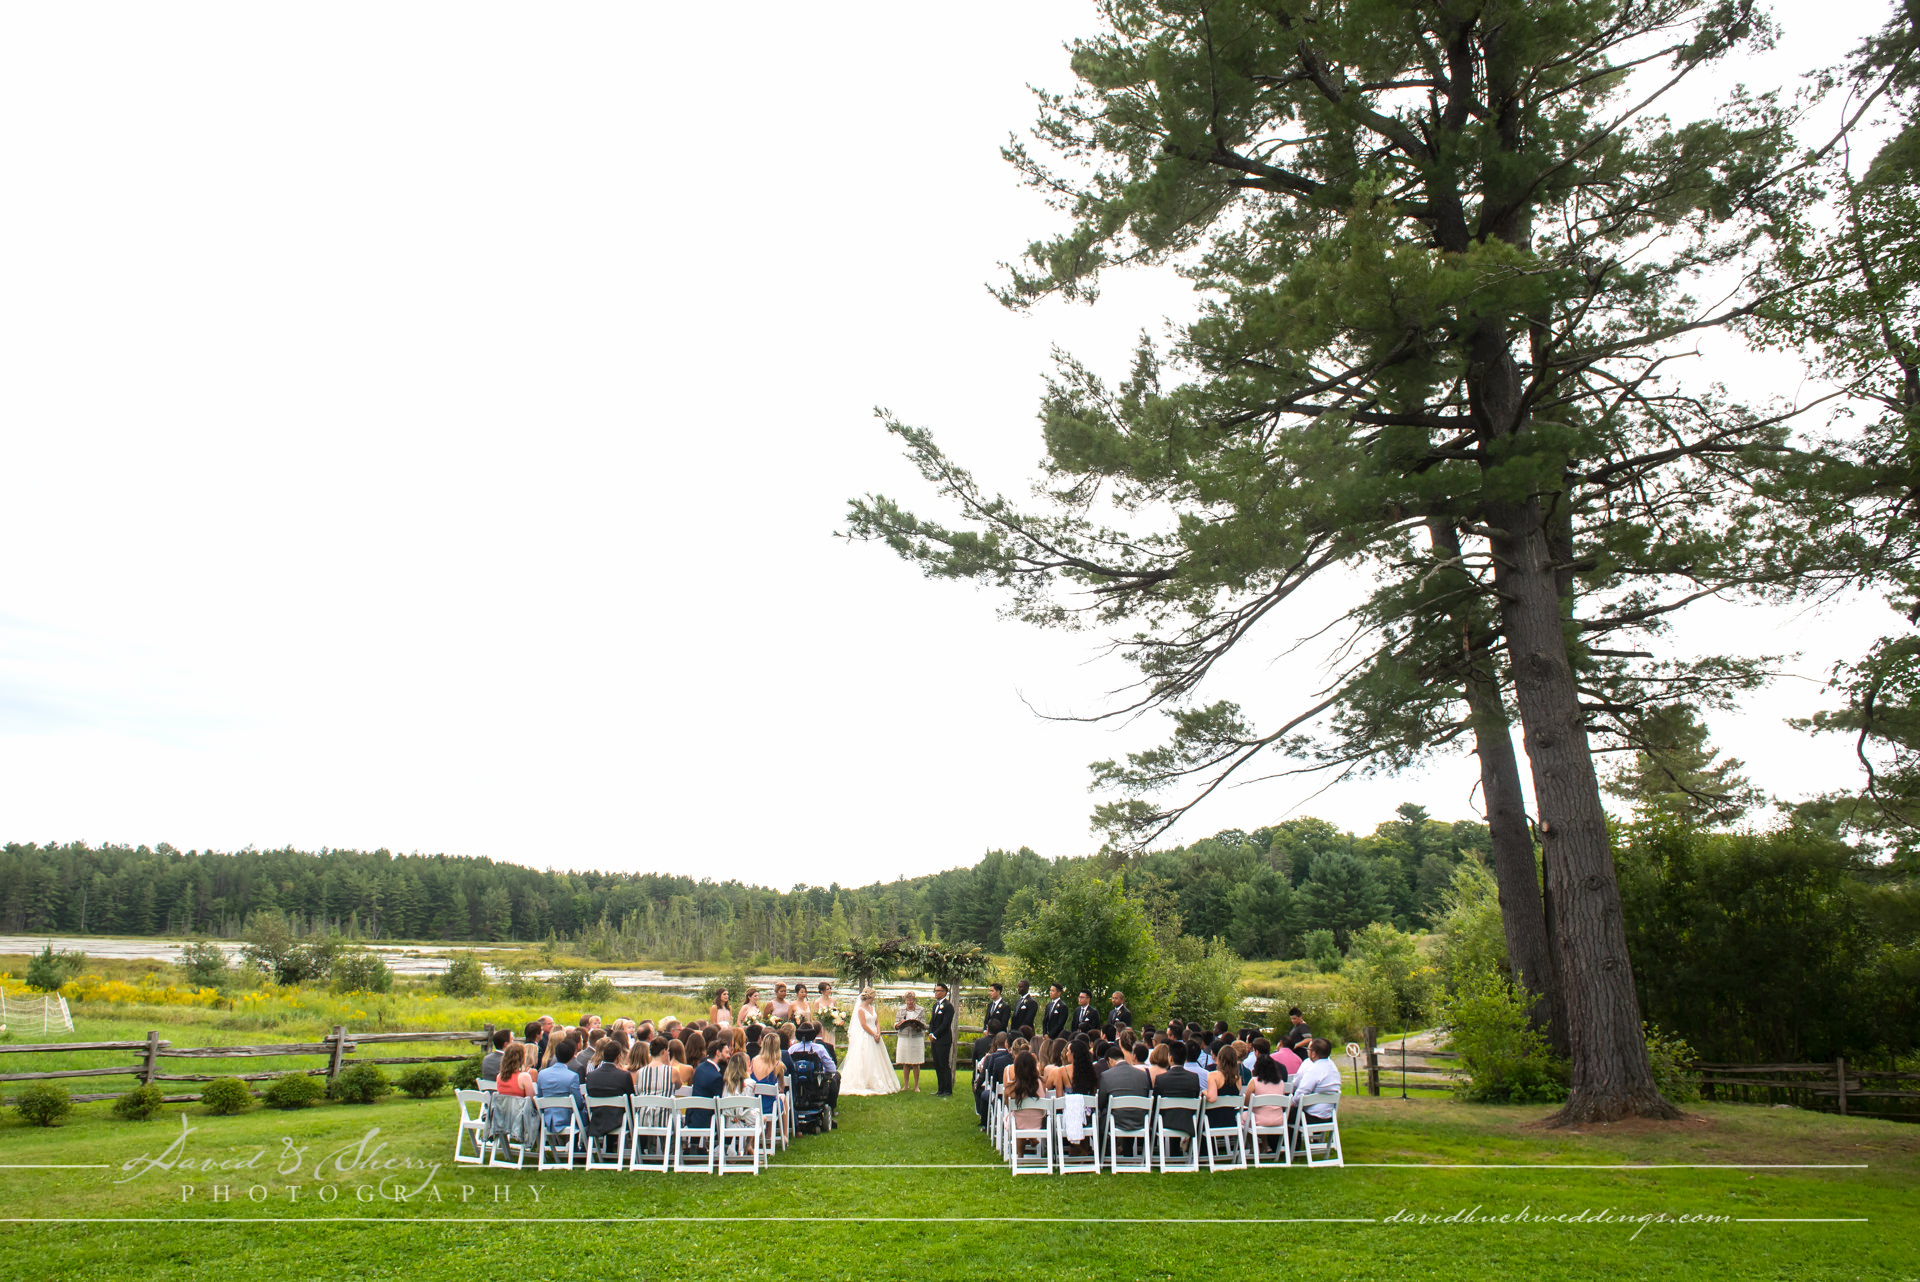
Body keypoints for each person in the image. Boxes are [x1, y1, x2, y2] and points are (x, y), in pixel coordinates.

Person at [840, 986, 903, 1096]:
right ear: (869, 997)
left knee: (878, 1058)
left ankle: (881, 1080)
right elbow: (864, 1025)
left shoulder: (872, 1008)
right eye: (873, 997)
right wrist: (873, 1034)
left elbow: (876, 1022)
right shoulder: (860, 1009)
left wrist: (878, 1033)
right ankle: (865, 1082)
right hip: (866, 1035)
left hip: (875, 1035)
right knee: (866, 1058)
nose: (874, 999)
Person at [1152, 1040, 1204, 1152]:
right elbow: (1195, 1098)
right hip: (1188, 1121)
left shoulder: (1161, 1079)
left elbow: (1155, 1104)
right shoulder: (1193, 1078)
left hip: (1165, 1121)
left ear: (1170, 1058)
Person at [583, 1038, 635, 1147]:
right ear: (618, 1057)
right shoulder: (623, 1075)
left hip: (597, 1117)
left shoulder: (591, 1076)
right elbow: (631, 1099)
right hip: (618, 1119)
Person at [536, 1036, 587, 1134]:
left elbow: (540, 1097)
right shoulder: (572, 1076)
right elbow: (579, 1104)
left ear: (556, 1054)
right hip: (569, 1119)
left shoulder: (542, 1074)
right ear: (573, 1055)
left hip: (548, 1118)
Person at [1246, 1048, 1290, 1155]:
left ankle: (1253, 1146)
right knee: (1259, 1113)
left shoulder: (1254, 1082)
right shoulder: (1280, 1082)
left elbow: (1247, 1102)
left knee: (1243, 1117)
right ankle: (1266, 1146)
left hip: (1259, 1119)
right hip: (1279, 1119)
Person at [1007, 1051, 1047, 1160]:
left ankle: (1020, 1156)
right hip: (1038, 1122)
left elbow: (1008, 1104)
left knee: (1014, 1117)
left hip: (1019, 1124)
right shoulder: (1040, 1083)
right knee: (1023, 1116)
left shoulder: (1013, 1087)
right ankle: (1032, 1137)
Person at [1291, 1037, 1341, 1123]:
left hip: (1312, 1116)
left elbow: (1301, 1093)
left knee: (1285, 1115)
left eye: (1309, 1049)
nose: (1307, 1051)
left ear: (1314, 1054)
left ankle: (1293, 1136)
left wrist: (1291, 1103)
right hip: (1329, 1116)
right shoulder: (1333, 1068)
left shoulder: (1314, 1069)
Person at [686, 1039, 727, 1133]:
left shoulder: (701, 1067)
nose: (728, 1056)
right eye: (726, 1052)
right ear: (718, 1053)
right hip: (707, 1120)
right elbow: (718, 1105)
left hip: (692, 1115)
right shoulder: (716, 1077)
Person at [1204, 1044, 1243, 1139]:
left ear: (1220, 1059)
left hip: (1213, 1121)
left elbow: (1212, 1098)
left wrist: (1204, 1092)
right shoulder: (1238, 1079)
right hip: (1231, 1120)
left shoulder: (1213, 1075)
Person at [894, 991, 928, 1092]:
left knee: (916, 1062)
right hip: (904, 1037)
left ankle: (916, 1086)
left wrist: (916, 1025)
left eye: (911, 1000)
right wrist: (900, 1024)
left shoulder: (921, 1010)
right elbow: (895, 1024)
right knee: (905, 1062)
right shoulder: (901, 1010)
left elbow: (924, 1025)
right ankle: (906, 1085)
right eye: (908, 1000)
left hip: (916, 1038)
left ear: (915, 1000)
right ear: (905, 1000)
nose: (909, 1002)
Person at [928, 983, 957, 1097]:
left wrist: (935, 1034)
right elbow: (932, 1022)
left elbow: (945, 1023)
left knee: (944, 1064)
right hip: (934, 1039)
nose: (936, 993)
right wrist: (930, 1033)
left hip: (943, 1039)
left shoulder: (948, 1006)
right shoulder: (935, 1005)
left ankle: (947, 1089)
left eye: (938, 991)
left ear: (944, 992)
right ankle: (940, 1089)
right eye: (935, 991)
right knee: (937, 1064)